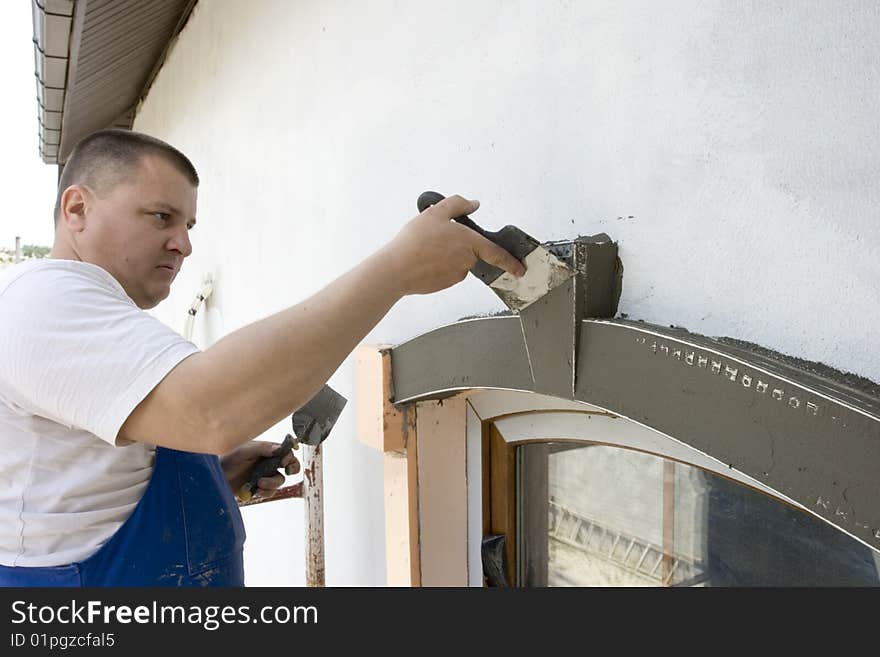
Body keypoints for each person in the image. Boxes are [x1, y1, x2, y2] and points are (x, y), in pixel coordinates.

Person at [0, 129, 525, 587]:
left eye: (188, 225)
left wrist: (204, 480)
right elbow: (209, 410)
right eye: (161, 217)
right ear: (77, 209)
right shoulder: (45, 301)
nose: (182, 244)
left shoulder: (89, 311)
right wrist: (395, 271)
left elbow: (74, 488)